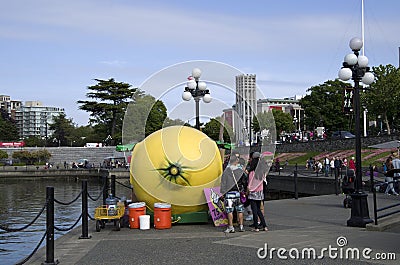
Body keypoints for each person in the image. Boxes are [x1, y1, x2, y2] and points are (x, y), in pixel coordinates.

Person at [220, 155, 246, 233]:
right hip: (238, 193)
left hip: (229, 193)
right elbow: (245, 182)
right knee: (240, 211)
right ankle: (241, 226)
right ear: (236, 161)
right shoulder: (240, 171)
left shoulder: (227, 171)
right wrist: (243, 190)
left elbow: (223, 183)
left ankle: (231, 227)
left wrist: (222, 193)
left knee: (229, 211)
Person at [247, 152, 268, 232]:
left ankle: (256, 227)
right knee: (259, 210)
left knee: (254, 210)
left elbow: (250, 184)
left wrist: (247, 192)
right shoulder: (261, 172)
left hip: (253, 192)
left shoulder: (252, 172)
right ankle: (264, 226)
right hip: (260, 192)